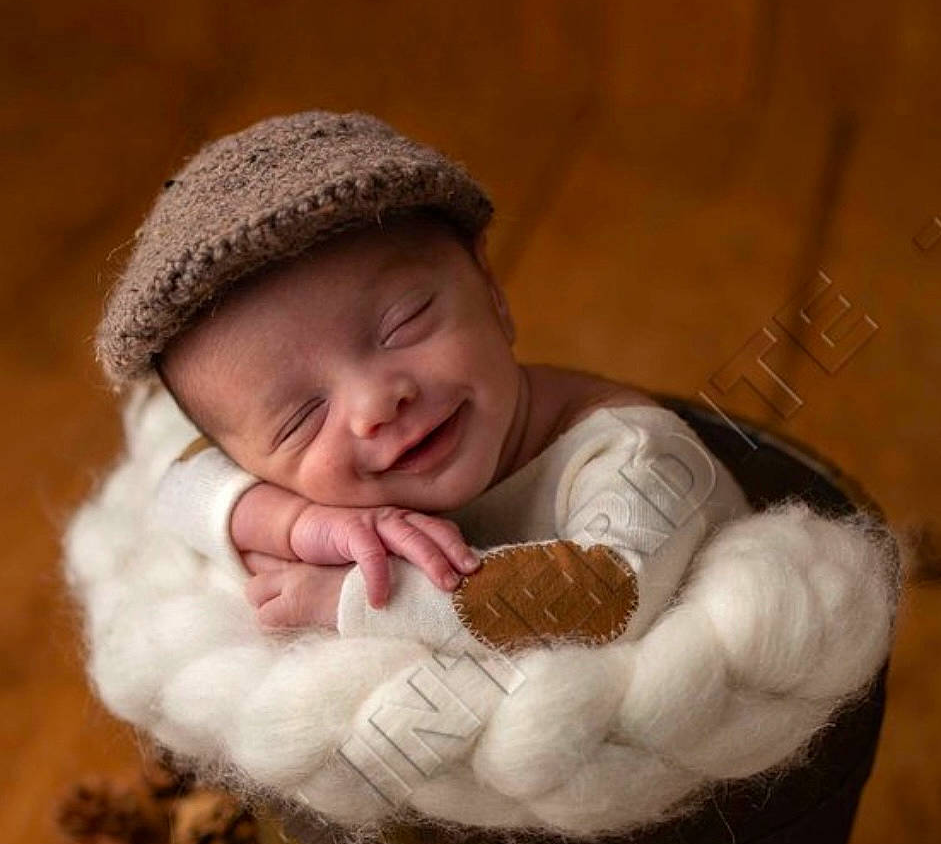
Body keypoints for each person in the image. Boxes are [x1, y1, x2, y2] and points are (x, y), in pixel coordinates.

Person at [96, 110, 751, 650]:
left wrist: (353, 598)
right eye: (301, 418)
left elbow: (607, 595)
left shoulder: (630, 454)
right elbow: (179, 487)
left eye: (404, 323)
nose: (376, 403)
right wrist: (298, 525)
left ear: (490, 289)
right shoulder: (333, 478)